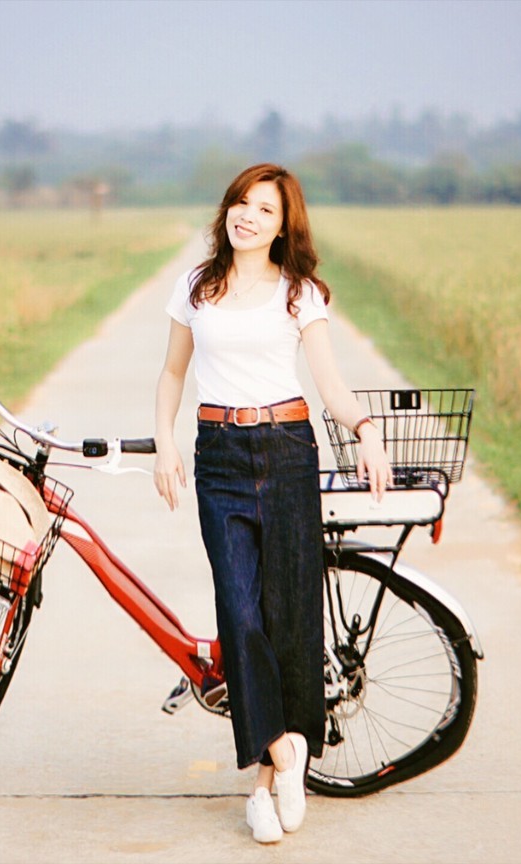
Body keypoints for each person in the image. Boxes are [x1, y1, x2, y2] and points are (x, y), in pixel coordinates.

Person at [153, 163, 390, 843]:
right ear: (227, 210)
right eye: (240, 202)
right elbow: (172, 372)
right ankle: (288, 753)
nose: (247, 216)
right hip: (218, 456)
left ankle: (265, 784)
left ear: (284, 224)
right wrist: (167, 446)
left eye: (264, 208)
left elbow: (332, 387)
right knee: (241, 611)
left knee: (289, 617)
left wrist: (366, 430)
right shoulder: (196, 287)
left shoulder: (299, 294)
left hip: (287, 452)